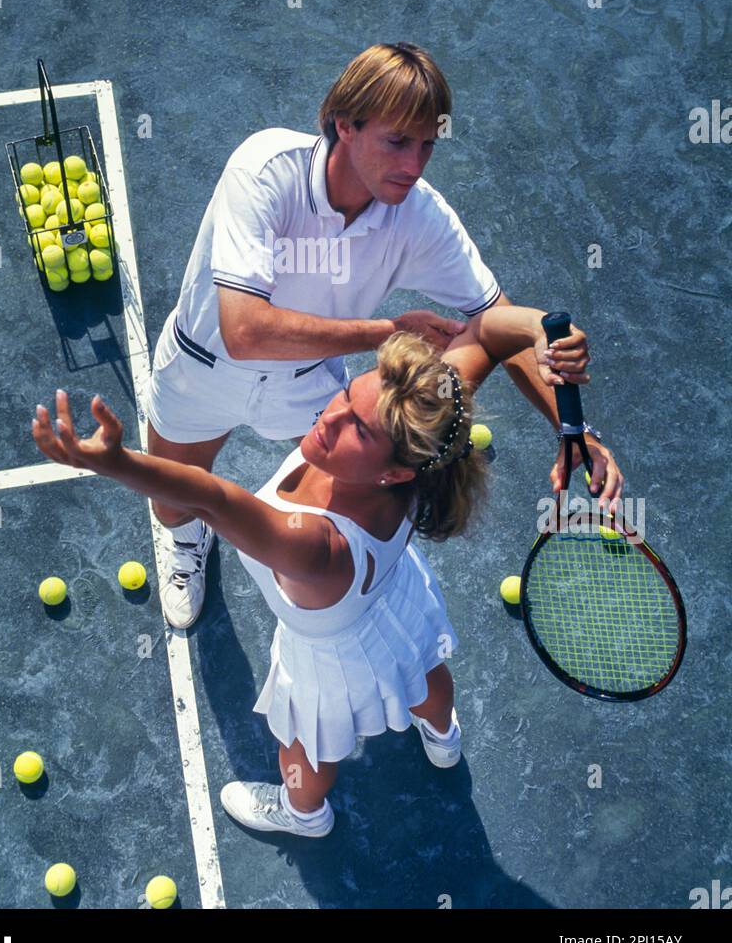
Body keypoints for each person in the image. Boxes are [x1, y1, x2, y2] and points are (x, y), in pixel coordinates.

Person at [33, 302, 600, 838]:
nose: (330, 418)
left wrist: (115, 462)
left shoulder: (314, 547)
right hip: (397, 602)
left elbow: (210, 496)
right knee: (423, 669)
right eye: (347, 398)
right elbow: (492, 332)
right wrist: (546, 337)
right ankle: (443, 737)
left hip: (328, 662)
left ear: (395, 473)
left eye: (357, 428)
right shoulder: (428, 432)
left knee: (303, 748)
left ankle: (304, 813)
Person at [143, 42, 623, 630]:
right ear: (346, 124)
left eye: (428, 146)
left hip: (309, 388)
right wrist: (385, 332)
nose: (415, 165)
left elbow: (499, 318)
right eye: (398, 141)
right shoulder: (264, 170)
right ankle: (188, 545)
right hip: (204, 370)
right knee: (174, 502)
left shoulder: (420, 217)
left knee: (371, 493)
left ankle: (369, 611)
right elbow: (243, 331)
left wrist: (575, 429)